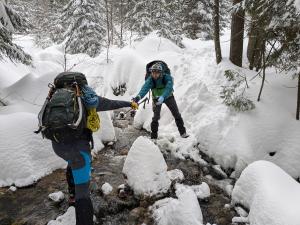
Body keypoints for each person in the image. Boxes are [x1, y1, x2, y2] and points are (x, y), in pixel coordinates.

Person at [52, 94, 138, 225]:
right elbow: (112, 103)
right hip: (79, 148)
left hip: (58, 146)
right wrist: (129, 103)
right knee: (83, 193)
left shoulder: (56, 98)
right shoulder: (87, 98)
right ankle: (78, 202)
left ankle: (71, 194)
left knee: (72, 162)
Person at [132, 62, 188, 139]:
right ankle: (154, 137)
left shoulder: (167, 77)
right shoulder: (150, 79)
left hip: (168, 97)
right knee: (155, 117)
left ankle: (183, 133)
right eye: (153, 73)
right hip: (156, 98)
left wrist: (163, 97)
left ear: (161, 73)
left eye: (156, 73)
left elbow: (169, 88)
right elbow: (144, 89)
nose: (154, 75)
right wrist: (137, 98)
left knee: (176, 114)